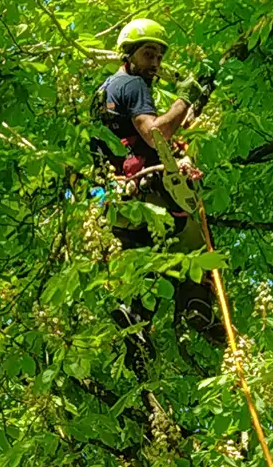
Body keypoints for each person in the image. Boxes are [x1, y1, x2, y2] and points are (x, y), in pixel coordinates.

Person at [92, 18, 220, 348]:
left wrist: (196, 102)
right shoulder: (133, 85)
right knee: (193, 240)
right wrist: (184, 97)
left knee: (146, 258)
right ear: (130, 54)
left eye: (159, 58)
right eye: (149, 55)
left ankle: (135, 321)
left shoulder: (104, 92)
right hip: (147, 188)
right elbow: (156, 135)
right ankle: (197, 303)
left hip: (115, 198)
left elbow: (163, 129)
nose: (155, 64)